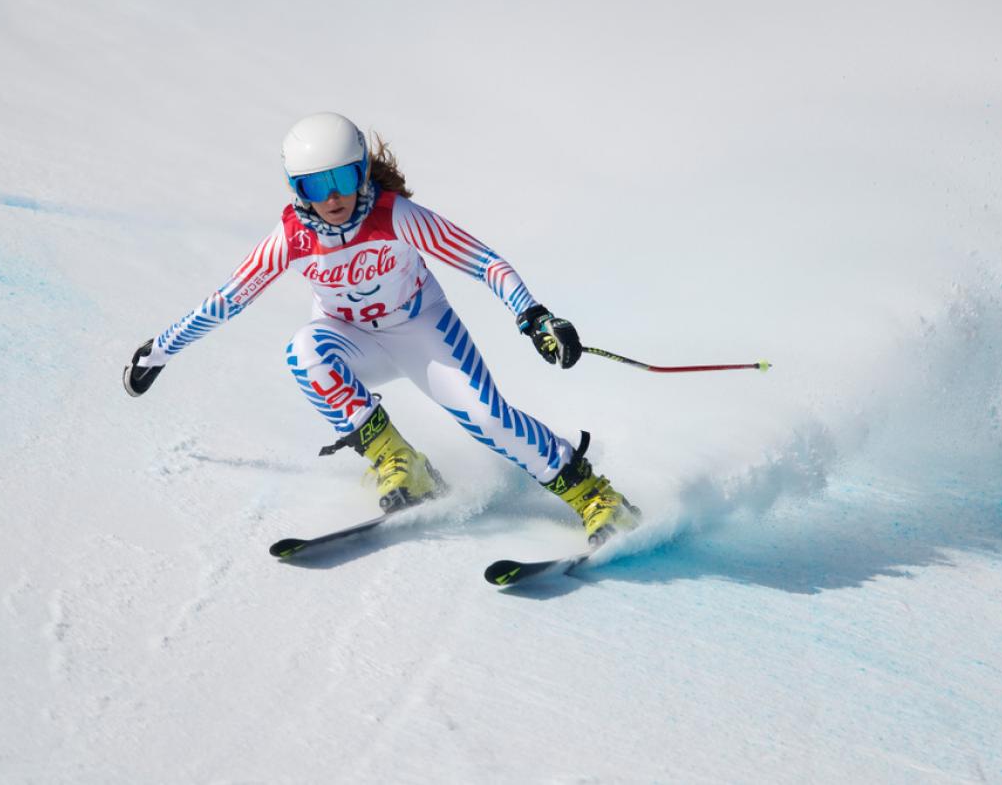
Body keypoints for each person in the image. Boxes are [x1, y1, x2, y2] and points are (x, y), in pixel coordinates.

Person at [123, 111, 640, 546]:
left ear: (362, 174)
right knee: (304, 350)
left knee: (487, 418)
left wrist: (534, 316)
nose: (332, 198)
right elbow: (226, 301)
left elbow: (482, 261)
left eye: (343, 180)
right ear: (295, 189)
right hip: (352, 340)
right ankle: (401, 464)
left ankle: (596, 498)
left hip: (422, 332)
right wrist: (158, 353)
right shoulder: (292, 238)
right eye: (314, 186)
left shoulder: (396, 217)